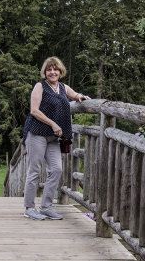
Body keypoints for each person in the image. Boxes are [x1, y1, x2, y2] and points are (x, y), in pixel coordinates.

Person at [22, 56, 90, 220]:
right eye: (49, 69)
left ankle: (46, 206)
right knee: (35, 170)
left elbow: (73, 95)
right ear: (45, 72)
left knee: (57, 169)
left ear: (60, 71)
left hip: (53, 137)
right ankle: (29, 208)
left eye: (55, 69)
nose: (52, 72)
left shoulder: (62, 87)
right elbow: (34, 111)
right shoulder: (40, 86)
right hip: (37, 133)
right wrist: (53, 123)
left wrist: (80, 96)